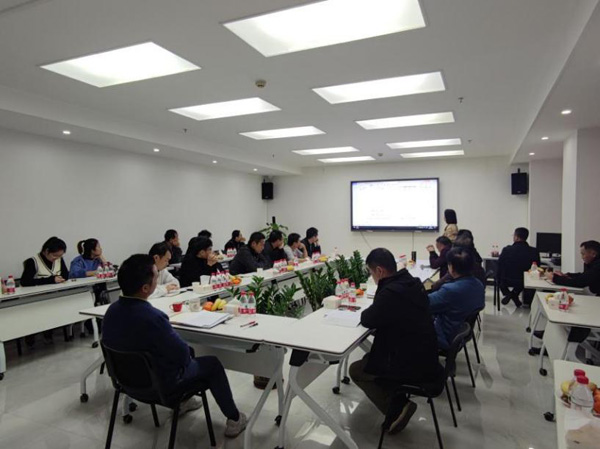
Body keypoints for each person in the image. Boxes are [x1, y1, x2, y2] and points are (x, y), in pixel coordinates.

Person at [101, 254, 247, 437]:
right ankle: (234, 418)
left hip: (126, 384)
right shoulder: (153, 317)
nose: (158, 279)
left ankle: (185, 402)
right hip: (162, 386)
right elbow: (182, 356)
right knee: (212, 364)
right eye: (156, 277)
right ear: (146, 288)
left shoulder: (111, 312)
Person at [349, 248, 441, 435]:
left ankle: (398, 407)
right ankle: (395, 398)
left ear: (379, 271)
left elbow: (368, 319)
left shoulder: (391, 292)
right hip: (427, 353)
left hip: (411, 362)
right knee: (369, 357)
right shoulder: (411, 282)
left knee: (357, 369)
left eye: (371, 273)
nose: (372, 277)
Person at [428, 248, 486, 349]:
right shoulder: (478, 284)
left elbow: (424, 304)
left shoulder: (450, 290)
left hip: (444, 336)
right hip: (461, 332)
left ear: (451, 268)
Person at [498, 227, 541, 307]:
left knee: (499, 277)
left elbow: (499, 265)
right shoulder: (534, 251)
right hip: (525, 281)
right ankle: (514, 294)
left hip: (506, 280)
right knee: (524, 278)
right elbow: (537, 268)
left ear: (516, 237)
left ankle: (509, 294)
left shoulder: (506, 250)